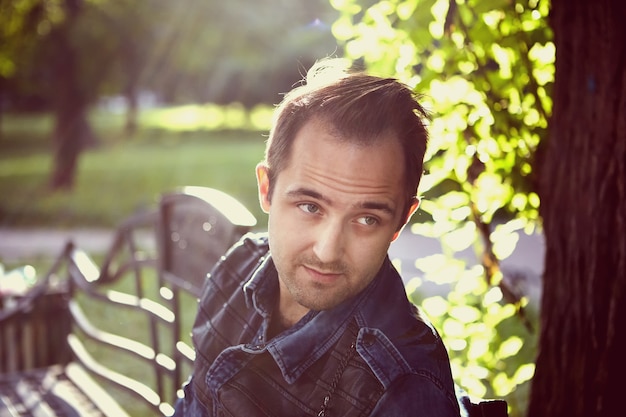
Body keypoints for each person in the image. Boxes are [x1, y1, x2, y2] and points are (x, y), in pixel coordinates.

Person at [173, 58, 461, 416]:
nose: (327, 251)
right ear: (267, 189)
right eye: (310, 207)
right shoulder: (237, 268)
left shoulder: (402, 388)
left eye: (367, 219)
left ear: (401, 221)